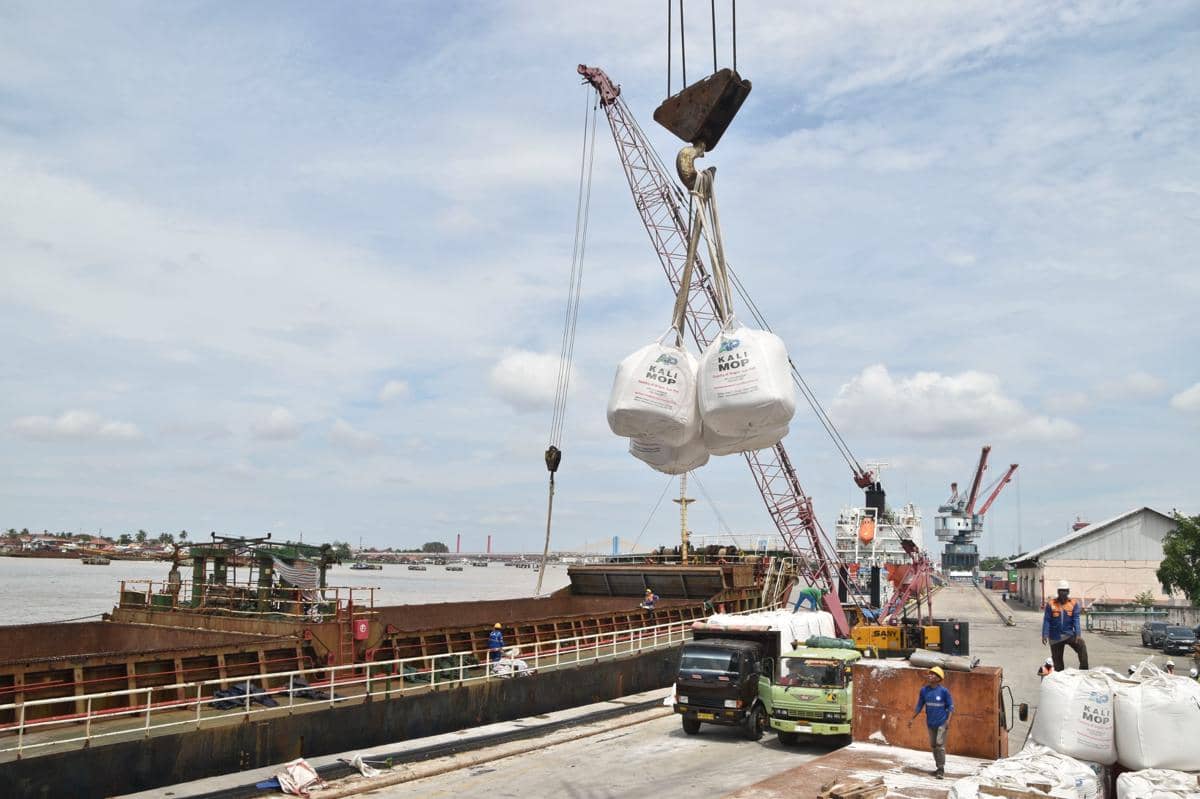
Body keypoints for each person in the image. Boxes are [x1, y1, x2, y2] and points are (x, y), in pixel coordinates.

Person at [909, 666, 954, 780]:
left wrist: (948, 721)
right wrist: (912, 718)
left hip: (942, 723)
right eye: (929, 674)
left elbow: (950, 706)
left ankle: (941, 769)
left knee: (939, 744)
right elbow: (920, 705)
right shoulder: (924, 690)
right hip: (930, 723)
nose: (930, 675)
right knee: (933, 745)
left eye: (933, 674)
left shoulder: (944, 691)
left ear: (938, 678)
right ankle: (938, 766)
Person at [1042, 580, 1089, 671]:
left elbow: (1076, 619)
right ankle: (1060, 678)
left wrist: (1078, 634)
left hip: (1069, 634)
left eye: (1065, 591)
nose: (1063, 593)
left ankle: (1084, 670)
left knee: (1081, 645)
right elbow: (1047, 620)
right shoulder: (1051, 604)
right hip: (1055, 637)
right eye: (1061, 591)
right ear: (1058, 592)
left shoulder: (1073, 603)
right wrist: (1045, 634)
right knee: (1058, 664)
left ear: (1068, 592)